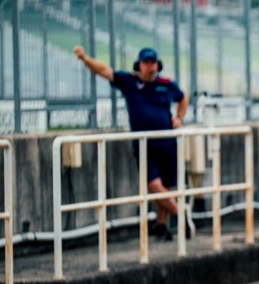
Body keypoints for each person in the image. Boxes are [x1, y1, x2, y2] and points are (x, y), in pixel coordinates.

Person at [74, 45, 191, 240]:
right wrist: (85, 58)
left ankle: (161, 226)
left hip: (167, 143)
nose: (150, 67)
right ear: (140, 65)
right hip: (145, 145)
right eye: (146, 63)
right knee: (154, 186)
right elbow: (105, 71)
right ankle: (180, 214)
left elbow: (183, 97)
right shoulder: (130, 81)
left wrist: (179, 117)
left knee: (166, 186)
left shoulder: (166, 84)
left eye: (153, 62)